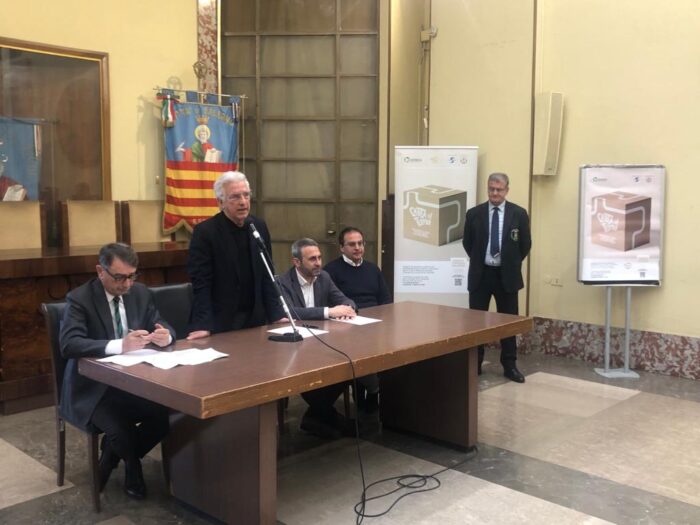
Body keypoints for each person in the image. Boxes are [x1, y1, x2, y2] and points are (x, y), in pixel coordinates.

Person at [59, 243, 175, 499]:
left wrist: (165, 336)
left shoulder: (140, 293)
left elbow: (162, 324)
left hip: (133, 382)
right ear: (100, 271)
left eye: (132, 276)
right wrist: (119, 345)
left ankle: (111, 456)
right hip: (91, 388)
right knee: (119, 429)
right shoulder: (80, 299)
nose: (127, 284)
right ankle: (133, 467)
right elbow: (69, 344)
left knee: (164, 416)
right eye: (120, 277)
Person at [187, 171, 283, 339]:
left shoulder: (258, 226)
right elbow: (201, 283)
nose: (243, 202)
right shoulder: (205, 232)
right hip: (221, 320)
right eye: (235, 197)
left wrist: (277, 314)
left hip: (255, 318)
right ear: (220, 202)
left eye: (246, 195)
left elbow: (267, 274)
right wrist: (203, 324)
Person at [277, 238, 357, 438]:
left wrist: (348, 308)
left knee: (347, 363)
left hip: (322, 342)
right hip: (294, 348)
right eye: (312, 259)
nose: (318, 263)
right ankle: (325, 417)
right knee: (311, 372)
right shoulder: (283, 282)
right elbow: (289, 312)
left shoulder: (324, 277)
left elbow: (344, 299)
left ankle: (316, 416)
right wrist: (329, 311)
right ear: (297, 262)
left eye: (319, 257)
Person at [463, 172, 531, 383]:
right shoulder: (474, 214)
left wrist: (510, 262)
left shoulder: (518, 213)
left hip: (506, 276)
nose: (494, 193)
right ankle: (475, 365)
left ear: (506, 190)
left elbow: (525, 244)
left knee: (508, 323)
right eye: (491, 189)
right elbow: (468, 243)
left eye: (499, 189)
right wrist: (482, 261)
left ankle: (510, 365)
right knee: (476, 323)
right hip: (481, 275)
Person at [324, 227, 391, 412]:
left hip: (375, 326)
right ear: (341, 248)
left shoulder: (373, 269)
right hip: (347, 327)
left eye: (360, 243)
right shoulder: (331, 271)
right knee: (361, 353)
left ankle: (377, 395)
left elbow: (386, 300)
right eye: (352, 244)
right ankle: (369, 395)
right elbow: (330, 303)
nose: (357, 248)